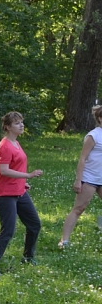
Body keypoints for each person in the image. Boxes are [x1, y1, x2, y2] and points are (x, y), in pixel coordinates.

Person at [0, 112, 43, 273]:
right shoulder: (4, 146)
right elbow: (4, 170)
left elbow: (15, 167)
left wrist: (22, 183)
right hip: (4, 194)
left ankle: (28, 257)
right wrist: (28, 175)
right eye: (17, 123)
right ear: (8, 127)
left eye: (22, 122)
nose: (21, 125)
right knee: (8, 229)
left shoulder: (16, 143)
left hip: (19, 192)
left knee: (34, 224)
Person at [58, 104, 102, 249]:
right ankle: (64, 240)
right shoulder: (93, 136)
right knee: (79, 208)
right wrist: (78, 180)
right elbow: (82, 158)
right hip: (89, 178)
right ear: (100, 119)